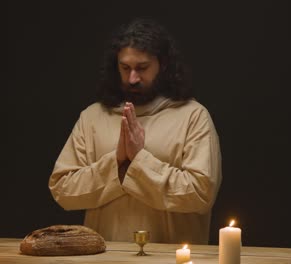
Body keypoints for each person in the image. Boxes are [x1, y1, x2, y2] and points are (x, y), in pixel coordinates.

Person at [48, 18, 222, 244]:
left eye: (142, 68)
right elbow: (62, 189)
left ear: (164, 64)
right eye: (125, 68)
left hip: (171, 259)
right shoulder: (92, 117)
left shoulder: (193, 116)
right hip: (105, 259)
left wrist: (139, 160)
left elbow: (201, 194)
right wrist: (117, 161)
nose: (133, 78)